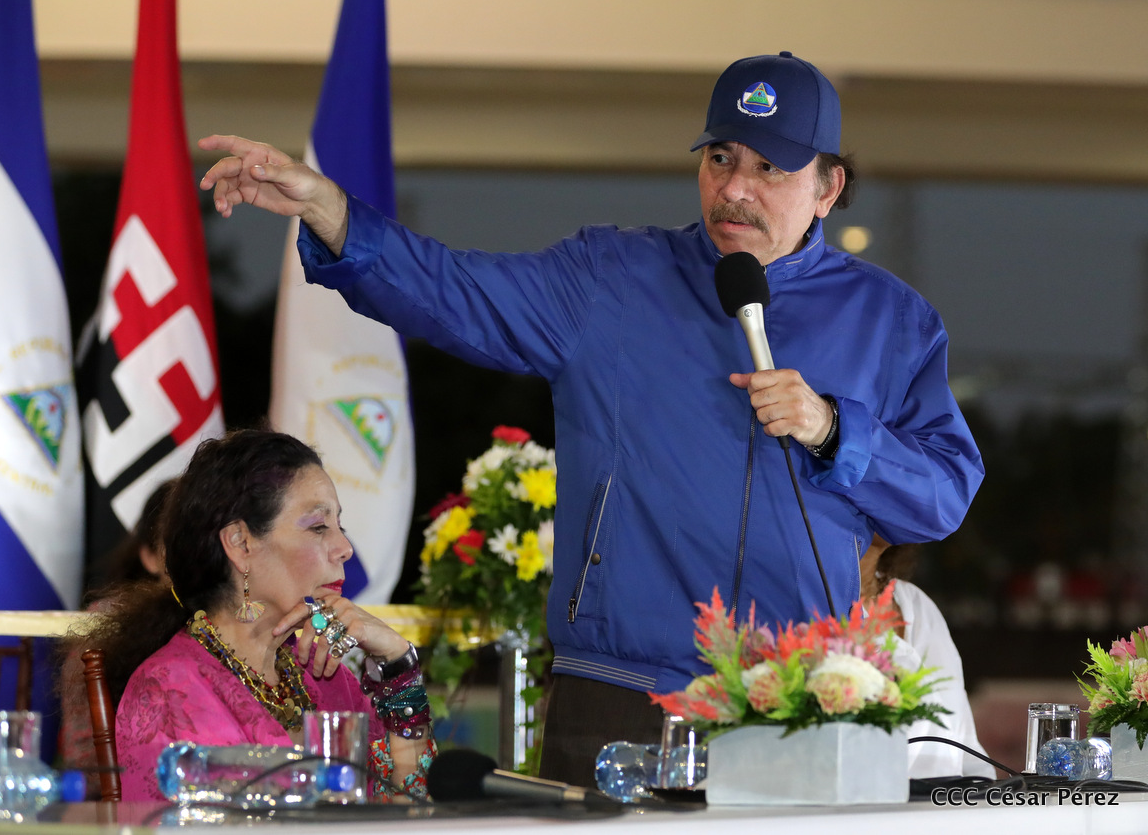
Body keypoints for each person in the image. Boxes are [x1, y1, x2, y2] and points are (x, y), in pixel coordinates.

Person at [198, 51, 984, 786]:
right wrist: (332, 213)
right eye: (721, 159)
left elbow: (943, 495)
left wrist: (833, 430)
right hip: (618, 698)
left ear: (828, 188)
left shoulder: (894, 322)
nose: (736, 189)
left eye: (770, 169)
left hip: (799, 708)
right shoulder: (613, 277)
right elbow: (454, 291)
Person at [80, 430, 435, 801]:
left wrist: (398, 663)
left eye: (339, 527)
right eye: (318, 527)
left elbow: (412, 806)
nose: (345, 548)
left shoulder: (324, 676)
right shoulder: (169, 688)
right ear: (240, 543)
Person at [56, 478, 174, 795]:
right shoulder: (107, 625)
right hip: (127, 798)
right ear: (150, 557)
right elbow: (86, 756)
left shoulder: (250, 617)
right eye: (181, 543)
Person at [860, 535, 996, 779]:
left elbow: (963, 744)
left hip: (949, 801)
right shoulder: (808, 603)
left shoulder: (916, 603)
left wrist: (987, 791)